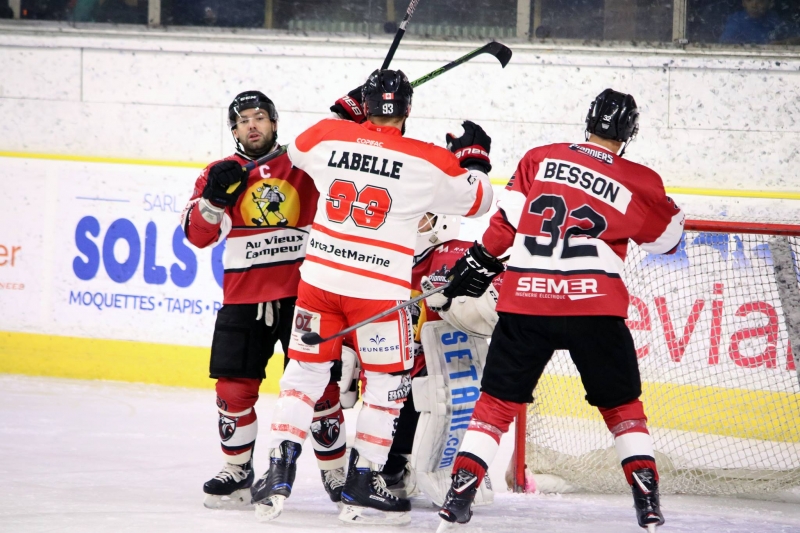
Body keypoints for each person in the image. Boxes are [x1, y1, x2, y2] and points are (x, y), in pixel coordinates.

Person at [251, 69, 494, 525]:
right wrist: (474, 158)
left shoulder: (327, 138)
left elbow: (299, 148)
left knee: (303, 375)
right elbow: (480, 199)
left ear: (365, 104)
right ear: (407, 110)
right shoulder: (427, 160)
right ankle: (364, 478)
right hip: (378, 295)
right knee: (385, 386)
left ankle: (279, 469)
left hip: (320, 284)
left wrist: (347, 116)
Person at [437, 88, 685, 532]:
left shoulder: (539, 158)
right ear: (630, 132)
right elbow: (669, 241)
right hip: (595, 306)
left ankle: (460, 496)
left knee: (494, 406)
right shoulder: (640, 179)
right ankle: (646, 500)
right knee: (623, 408)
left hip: (526, 301)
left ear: (587, 121)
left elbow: (506, 226)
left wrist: (478, 260)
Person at [181, 91, 347, 511]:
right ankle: (237, 471)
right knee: (234, 389)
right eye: (242, 121)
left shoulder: (305, 163)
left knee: (322, 389)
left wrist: (349, 120)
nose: (251, 125)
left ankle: (337, 471)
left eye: (259, 117)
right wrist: (214, 200)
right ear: (233, 130)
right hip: (244, 298)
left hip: (305, 297)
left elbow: (350, 159)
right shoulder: (220, 173)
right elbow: (196, 237)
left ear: (274, 123)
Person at [378, 212, 500, 508]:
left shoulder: (460, 251)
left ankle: (457, 468)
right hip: (391, 365)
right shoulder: (386, 249)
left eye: (423, 215)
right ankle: (394, 468)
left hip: (438, 368)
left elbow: (496, 307)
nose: (412, 219)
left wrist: (458, 302)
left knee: (438, 398)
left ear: (442, 218)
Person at [719, 0, 798, 44]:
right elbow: (725, 44)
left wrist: (782, 43)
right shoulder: (736, 20)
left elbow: (797, 37)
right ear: (743, 3)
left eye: (760, 1)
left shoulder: (774, 19)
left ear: (771, 4)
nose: (754, 5)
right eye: (749, 0)